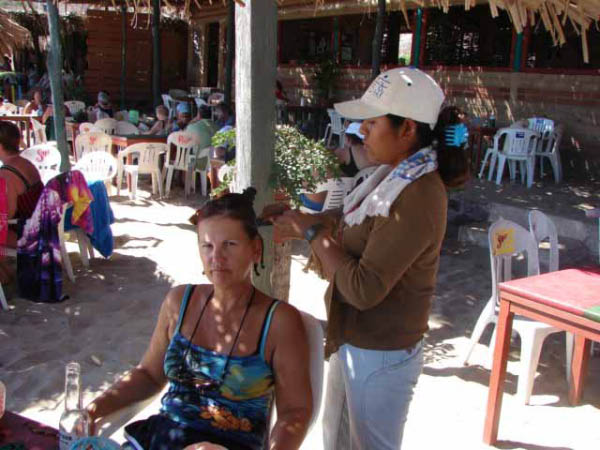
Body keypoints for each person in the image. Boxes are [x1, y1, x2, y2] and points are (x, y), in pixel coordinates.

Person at [262, 68, 469, 449]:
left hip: (382, 352)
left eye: (372, 123)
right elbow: (352, 225)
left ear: (407, 130)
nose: (362, 133)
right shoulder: (389, 177)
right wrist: (306, 220)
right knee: (337, 442)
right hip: (353, 339)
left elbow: (363, 289)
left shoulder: (419, 192)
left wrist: (311, 233)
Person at [86, 188, 312, 450]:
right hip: (162, 438)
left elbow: (295, 411)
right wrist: (92, 410)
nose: (216, 257)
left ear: (256, 249)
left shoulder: (279, 322)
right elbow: (149, 375)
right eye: (207, 245)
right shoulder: (179, 301)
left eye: (230, 244)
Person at [299, 122, 377, 213]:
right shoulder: (376, 157)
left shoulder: (340, 153)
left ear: (348, 139)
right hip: (348, 202)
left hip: (316, 205)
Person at [0, 122, 43, 283]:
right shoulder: (25, 163)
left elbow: (7, 215)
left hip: (26, 233)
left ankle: (5, 278)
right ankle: (7, 275)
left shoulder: (6, 174)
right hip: (39, 225)